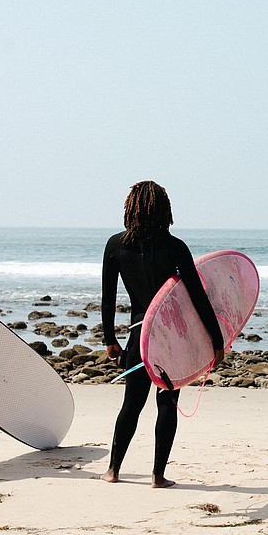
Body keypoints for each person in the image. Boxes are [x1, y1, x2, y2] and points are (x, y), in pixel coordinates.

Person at [100, 181, 224, 488]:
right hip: (171, 340)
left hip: (138, 337)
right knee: (167, 401)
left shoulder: (116, 245)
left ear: (131, 208)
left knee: (132, 402)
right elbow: (197, 295)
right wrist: (216, 340)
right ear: (164, 210)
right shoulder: (175, 247)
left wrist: (109, 340)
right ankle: (158, 476)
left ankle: (113, 470)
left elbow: (108, 297)